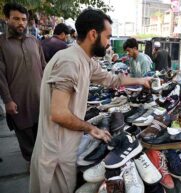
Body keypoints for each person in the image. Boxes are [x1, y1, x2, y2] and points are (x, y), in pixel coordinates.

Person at [30, 9, 151, 193]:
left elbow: (112, 79)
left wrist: (141, 81)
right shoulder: (69, 62)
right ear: (93, 34)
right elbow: (58, 113)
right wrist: (91, 128)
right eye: (108, 37)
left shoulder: (84, 60)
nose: (109, 43)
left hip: (66, 148)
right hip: (56, 154)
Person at [0, 3, 46, 162]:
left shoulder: (34, 41)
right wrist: (7, 100)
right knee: (26, 140)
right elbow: (0, 76)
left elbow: (44, 67)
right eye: (16, 19)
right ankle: (33, 167)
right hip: (17, 102)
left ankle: (42, 166)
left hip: (39, 99)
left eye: (24, 19)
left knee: (42, 136)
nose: (21, 23)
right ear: (7, 19)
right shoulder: (1, 44)